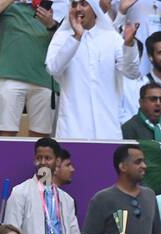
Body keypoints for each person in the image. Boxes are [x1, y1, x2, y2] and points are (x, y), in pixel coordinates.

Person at [44, 2, 140, 140]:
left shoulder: (111, 37)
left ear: (94, 8)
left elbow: (132, 72)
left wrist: (129, 46)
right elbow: (53, 68)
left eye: (83, 4)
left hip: (107, 128)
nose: (78, 8)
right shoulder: (63, 37)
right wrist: (76, 37)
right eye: (74, 4)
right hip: (73, 128)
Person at [82, 144, 161, 234]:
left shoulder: (150, 195)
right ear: (123, 167)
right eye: (138, 162)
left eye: (143, 161)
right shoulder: (102, 198)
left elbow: (156, 233)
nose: (144, 166)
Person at [0, 0, 57, 137]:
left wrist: (50, 23)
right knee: (5, 133)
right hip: (10, 76)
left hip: (44, 79)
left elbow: (65, 40)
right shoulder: (10, 5)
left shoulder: (56, 7)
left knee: (42, 138)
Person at [0, 138, 81, 234]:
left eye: (48, 158)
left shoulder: (66, 199)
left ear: (57, 161)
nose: (42, 162)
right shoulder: (20, 192)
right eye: (39, 158)